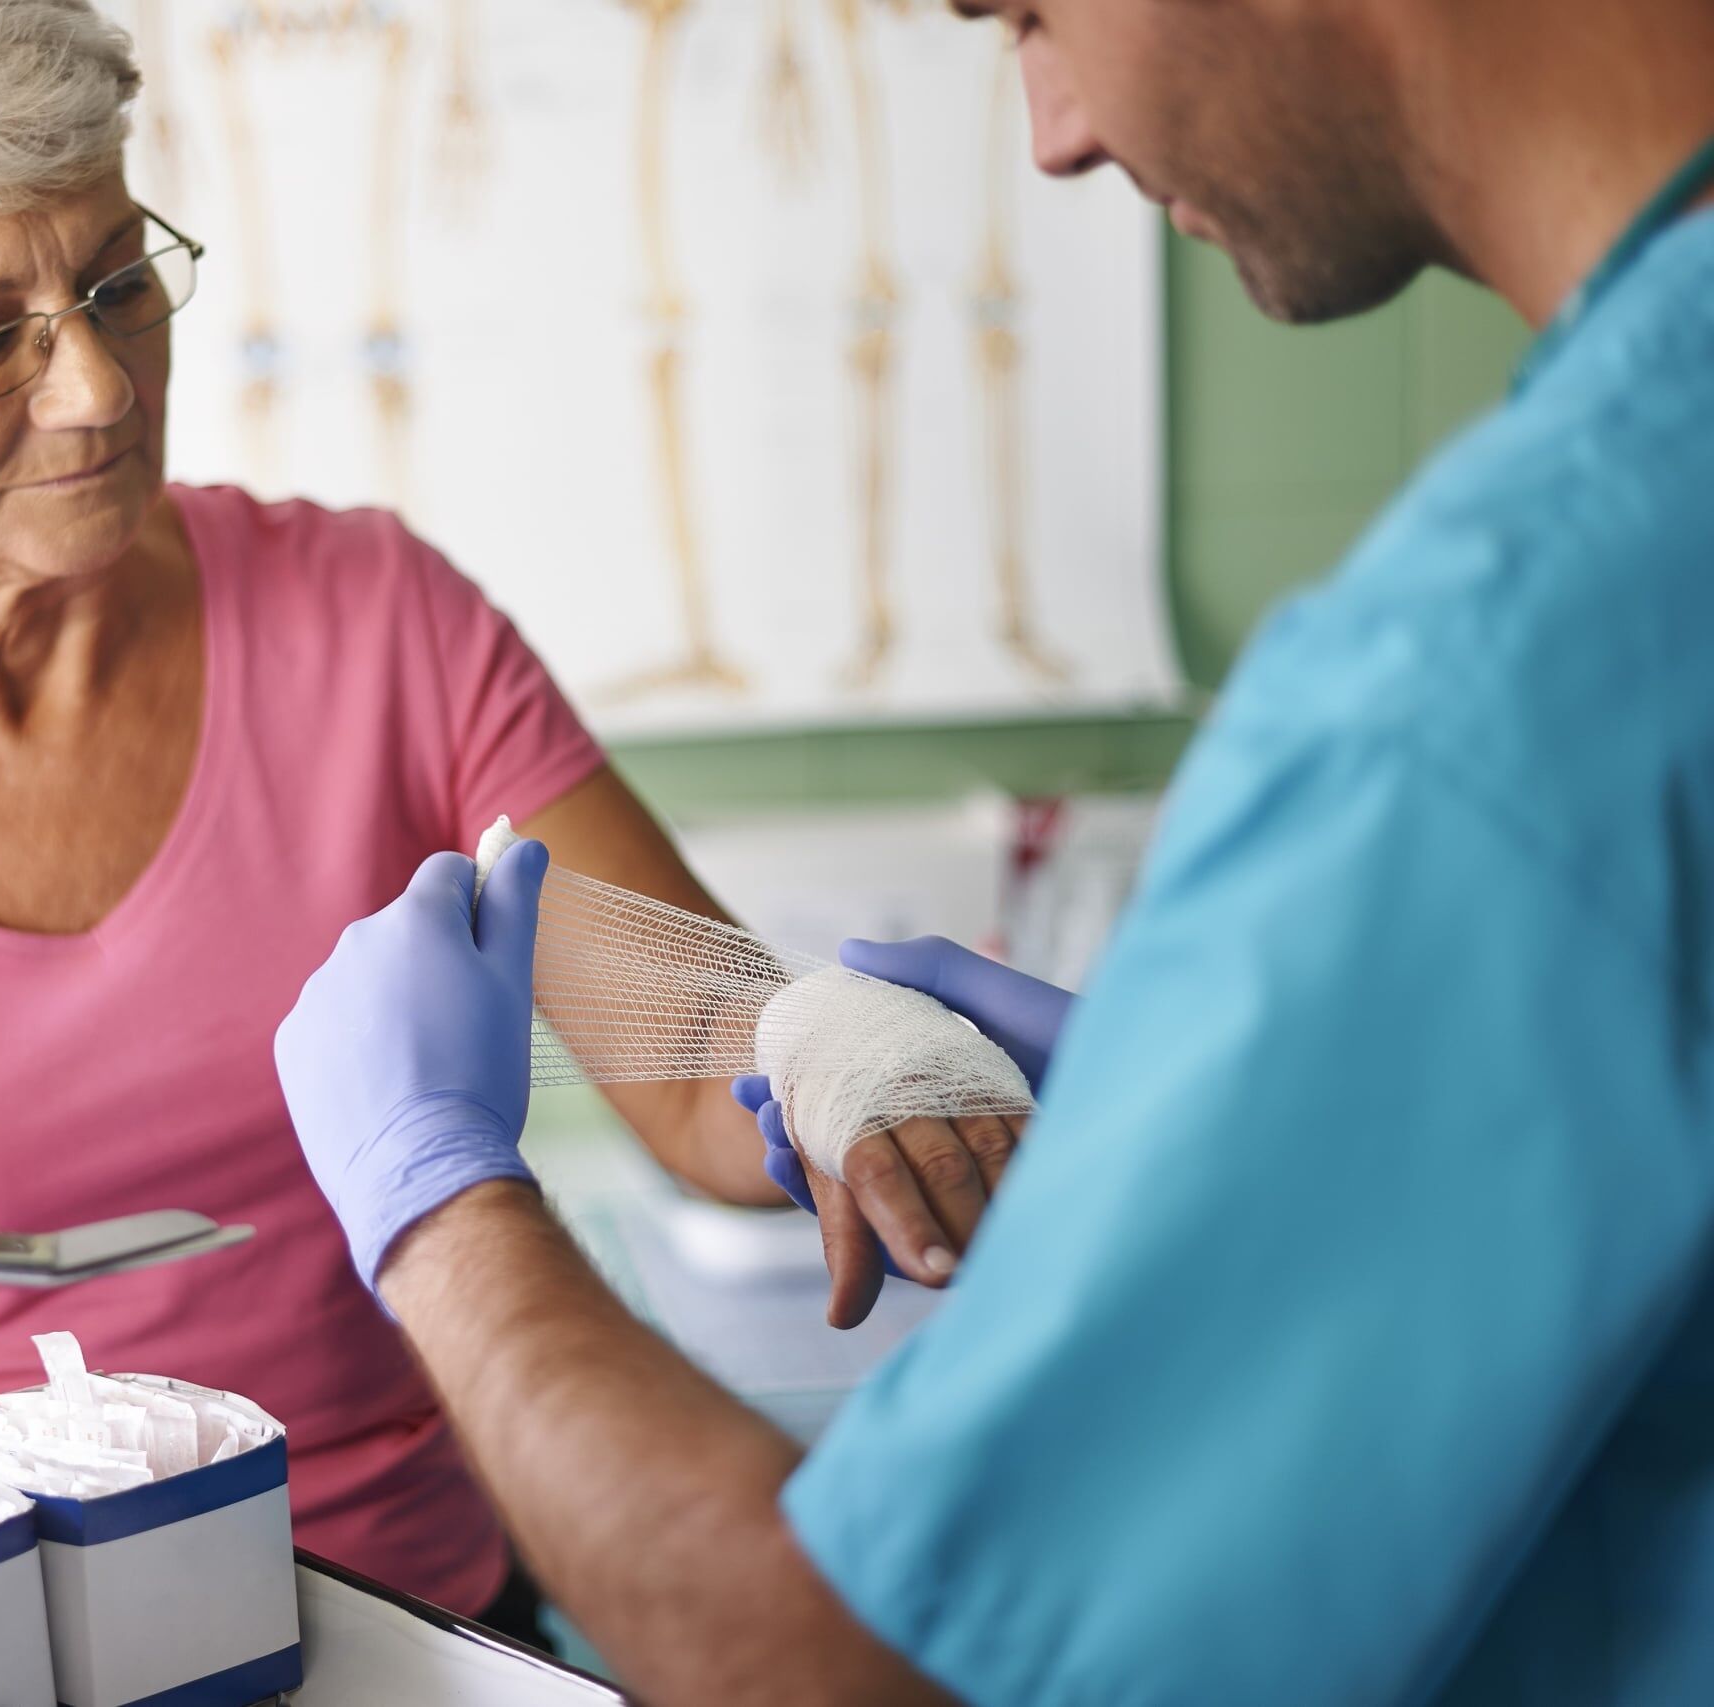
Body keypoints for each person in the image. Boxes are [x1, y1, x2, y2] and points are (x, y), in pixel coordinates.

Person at [274, 0, 1714, 1700]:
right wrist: (1217, 1119)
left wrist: (434, 1203)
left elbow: (838, 1672)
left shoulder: (1472, 696)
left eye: (1025, 12)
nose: (1053, 132)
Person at [0, 0, 1021, 1623]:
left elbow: (699, 1039)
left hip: (450, 1628)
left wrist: (846, 1063)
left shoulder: (377, 619)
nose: (96, 385)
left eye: (113, 281)